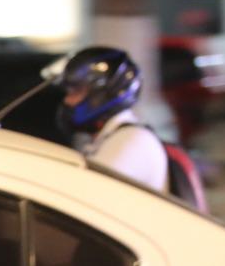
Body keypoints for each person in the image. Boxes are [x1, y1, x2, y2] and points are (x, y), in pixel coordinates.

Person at [58, 46, 168, 193]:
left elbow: (86, 194)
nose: (68, 100)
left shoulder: (131, 139)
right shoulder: (106, 137)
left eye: (76, 91)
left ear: (103, 94)